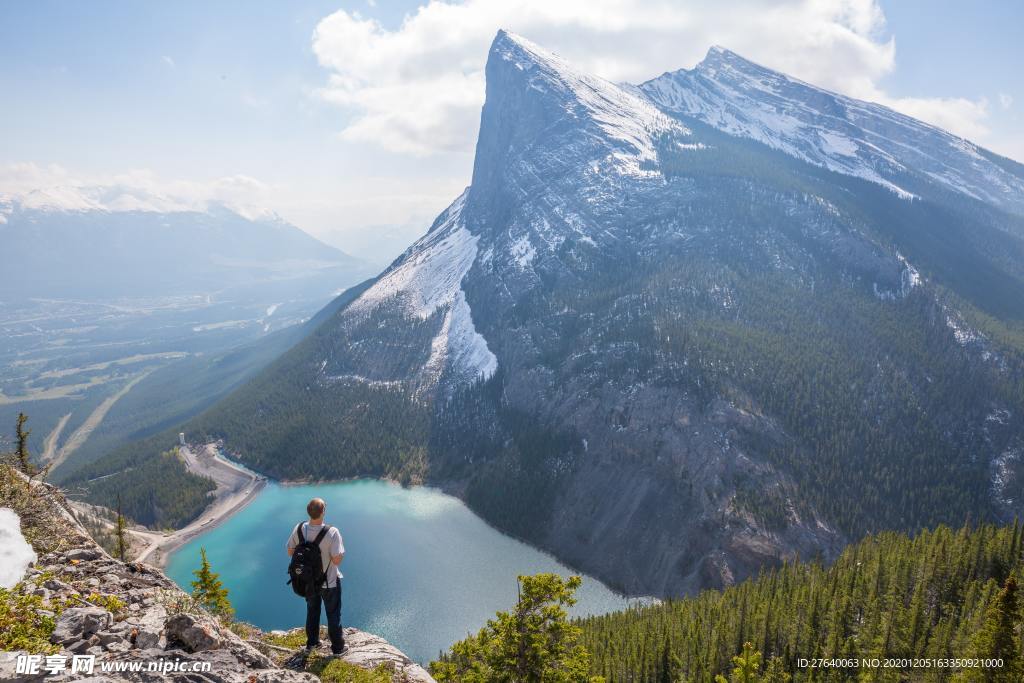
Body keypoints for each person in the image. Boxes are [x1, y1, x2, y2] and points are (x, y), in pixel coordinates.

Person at [286, 497, 346, 654]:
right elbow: (337, 559)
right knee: (333, 614)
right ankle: (338, 648)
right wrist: (341, 549)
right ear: (323, 512)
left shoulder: (299, 529)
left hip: (309, 582)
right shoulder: (332, 532)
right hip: (329, 582)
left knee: (312, 611)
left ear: (308, 511)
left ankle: (312, 643)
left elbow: (290, 551)